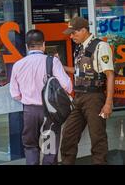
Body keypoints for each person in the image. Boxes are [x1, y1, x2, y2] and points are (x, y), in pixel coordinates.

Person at [9, 30, 72, 165]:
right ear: (43, 45)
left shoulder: (18, 65)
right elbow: (67, 86)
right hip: (50, 113)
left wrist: (27, 97)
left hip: (29, 112)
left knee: (30, 146)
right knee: (49, 149)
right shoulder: (52, 61)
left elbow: (14, 94)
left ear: (27, 46)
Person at [60, 17, 115, 165]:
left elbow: (110, 75)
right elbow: (79, 72)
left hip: (94, 98)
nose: (71, 36)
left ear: (84, 30)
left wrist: (108, 103)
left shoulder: (100, 46)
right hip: (78, 98)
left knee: (97, 138)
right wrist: (60, 66)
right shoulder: (80, 48)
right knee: (68, 136)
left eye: (73, 33)